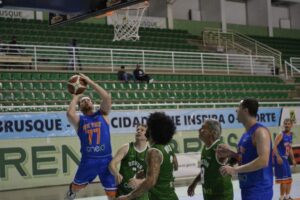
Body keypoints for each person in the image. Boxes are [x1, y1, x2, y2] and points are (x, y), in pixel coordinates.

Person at [65, 73, 116, 200]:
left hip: (107, 160)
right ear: (80, 106)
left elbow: (107, 97)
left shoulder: (102, 114)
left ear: (93, 104)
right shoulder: (79, 121)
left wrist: (90, 82)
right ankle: (71, 192)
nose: (85, 101)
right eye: (83, 101)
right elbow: (69, 113)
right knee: (77, 187)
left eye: (88, 100)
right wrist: (76, 96)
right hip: (89, 160)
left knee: (112, 193)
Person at [216, 98, 273, 200]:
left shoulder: (260, 132)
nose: (236, 110)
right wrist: (231, 153)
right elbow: (243, 158)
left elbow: (263, 161)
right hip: (247, 188)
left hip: (259, 189)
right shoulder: (245, 134)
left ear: (245, 111)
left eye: (238, 108)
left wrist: (235, 170)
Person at [117, 112, 178, 200]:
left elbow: (151, 181)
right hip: (171, 195)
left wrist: (129, 196)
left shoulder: (154, 151)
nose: (147, 129)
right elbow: (175, 166)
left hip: (160, 198)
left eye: (149, 127)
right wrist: (147, 171)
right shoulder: (168, 146)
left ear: (154, 130)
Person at [187, 119, 233, 200]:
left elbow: (237, 157)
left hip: (221, 196)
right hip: (208, 195)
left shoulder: (220, 147)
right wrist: (194, 183)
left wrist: (231, 167)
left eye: (203, 128)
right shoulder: (206, 147)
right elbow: (205, 170)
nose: (199, 130)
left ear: (213, 132)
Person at [109, 124, 149, 200]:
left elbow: (153, 176)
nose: (138, 131)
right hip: (123, 192)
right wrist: (116, 173)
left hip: (141, 194)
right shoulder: (126, 147)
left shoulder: (150, 153)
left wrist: (140, 181)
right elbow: (112, 164)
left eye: (142, 130)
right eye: (137, 130)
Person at [273, 118, 297, 200]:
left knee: (289, 179)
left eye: (288, 123)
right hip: (280, 159)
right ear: (283, 125)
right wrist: (278, 157)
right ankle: (281, 197)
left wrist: (293, 159)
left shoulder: (290, 135)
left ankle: (287, 196)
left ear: (291, 125)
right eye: (285, 123)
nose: (286, 125)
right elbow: (274, 147)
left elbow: (289, 148)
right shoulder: (281, 134)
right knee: (283, 180)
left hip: (286, 159)